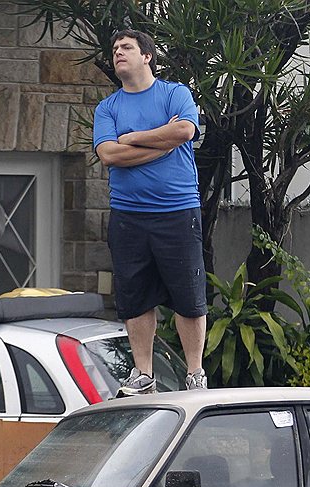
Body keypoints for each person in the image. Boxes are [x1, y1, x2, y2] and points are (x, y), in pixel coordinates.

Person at [93, 29, 208, 395]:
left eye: (126, 47)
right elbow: (108, 155)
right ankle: (143, 374)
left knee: (188, 296)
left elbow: (186, 131)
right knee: (135, 296)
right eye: (114, 49)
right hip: (128, 216)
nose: (118, 53)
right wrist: (160, 143)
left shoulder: (175, 93)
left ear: (147, 56)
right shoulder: (108, 107)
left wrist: (130, 137)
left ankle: (194, 374)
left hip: (177, 211)